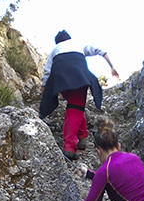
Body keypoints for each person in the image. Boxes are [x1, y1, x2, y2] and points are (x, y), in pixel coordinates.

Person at [39, 30, 119, 161]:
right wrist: (112, 66)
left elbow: (47, 73)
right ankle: (70, 147)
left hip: (60, 80)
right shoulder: (78, 44)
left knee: (75, 106)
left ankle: (82, 136)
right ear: (69, 38)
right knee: (75, 107)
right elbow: (101, 51)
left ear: (58, 42)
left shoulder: (55, 49)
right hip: (79, 76)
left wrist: (44, 94)